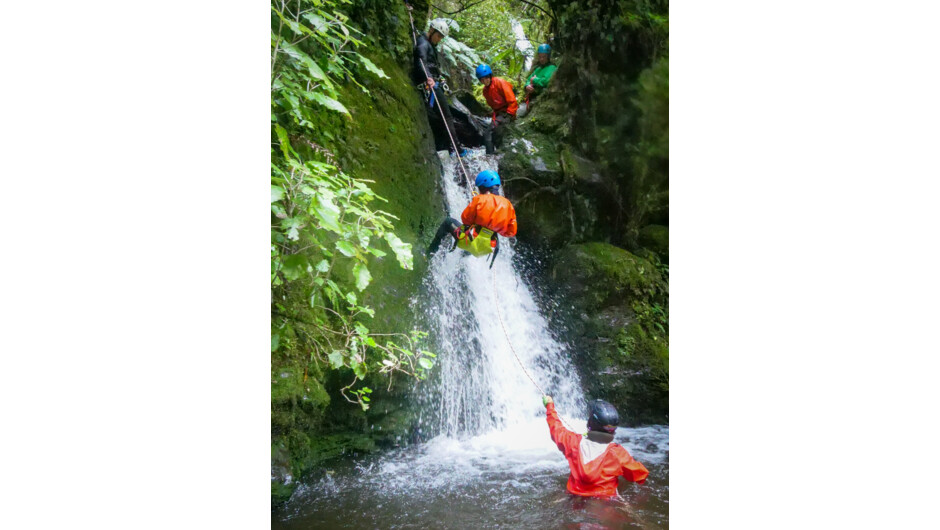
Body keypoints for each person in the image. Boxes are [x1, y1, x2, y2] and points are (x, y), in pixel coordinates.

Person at [542, 395, 649, 497]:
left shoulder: (573, 442)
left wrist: (549, 406)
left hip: (574, 499)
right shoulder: (617, 453)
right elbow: (640, 475)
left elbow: (556, 429)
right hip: (604, 504)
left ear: (590, 423)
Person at [427, 170, 517, 257]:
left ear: (482, 187)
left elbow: (465, 219)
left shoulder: (479, 200)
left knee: (448, 222)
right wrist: (493, 227)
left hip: (472, 242)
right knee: (469, 248)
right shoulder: (508, 205)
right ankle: (460, 262)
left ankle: (428, 254)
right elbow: (511, 232)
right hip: (488, 247)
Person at [413, 19, 467, 157]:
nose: (439, 39)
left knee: (440, 117)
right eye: (439, 36)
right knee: (447, 117)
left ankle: (446, 147)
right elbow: (420, 59)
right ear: (431, 31)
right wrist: (428, 77)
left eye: (441, 37)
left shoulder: (429, 44)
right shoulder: (423, 43)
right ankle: (458, 149)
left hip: (434, 83)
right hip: (430, 86)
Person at [476, 64, 518, 155]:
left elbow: (512, 100)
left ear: (490, 76)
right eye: (482, 79)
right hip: (499, 113)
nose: (485, 81)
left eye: (486, 78)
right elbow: (494, 106)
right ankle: (491, 155)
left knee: (490, 132)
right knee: (490, 132)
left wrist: (509, 114)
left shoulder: (500, 82)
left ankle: (491, 155)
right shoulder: (485, 91)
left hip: (507, 112)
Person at [517, 44, 557, 117]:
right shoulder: (538, 69)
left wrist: (534, 80)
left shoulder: (552, 68)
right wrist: (527, 86)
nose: (541, 59)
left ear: (548, 56)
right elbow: (529, 79)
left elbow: (546, 82)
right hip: (532, 97)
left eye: (544, 56)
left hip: (542, 98)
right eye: (540, 56)